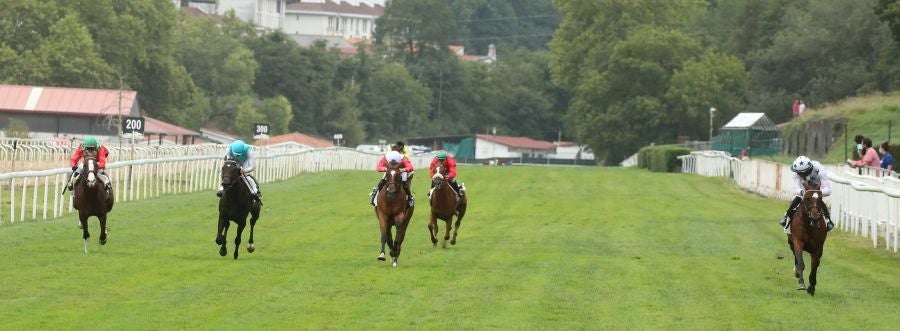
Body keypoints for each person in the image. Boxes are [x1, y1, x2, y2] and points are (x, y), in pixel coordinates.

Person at [779, 156, 834, 232]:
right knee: (798, 198)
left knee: (816, 200)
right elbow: (797, 189)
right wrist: (803, 192)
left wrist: (817, 193)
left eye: (799, 173)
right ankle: (787, 216)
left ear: (805, 171)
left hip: (817, 187)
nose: (797, 174)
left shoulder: (820, 169)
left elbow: (828, 190)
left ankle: (828, 220)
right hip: (804, 188)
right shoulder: (796, 173)